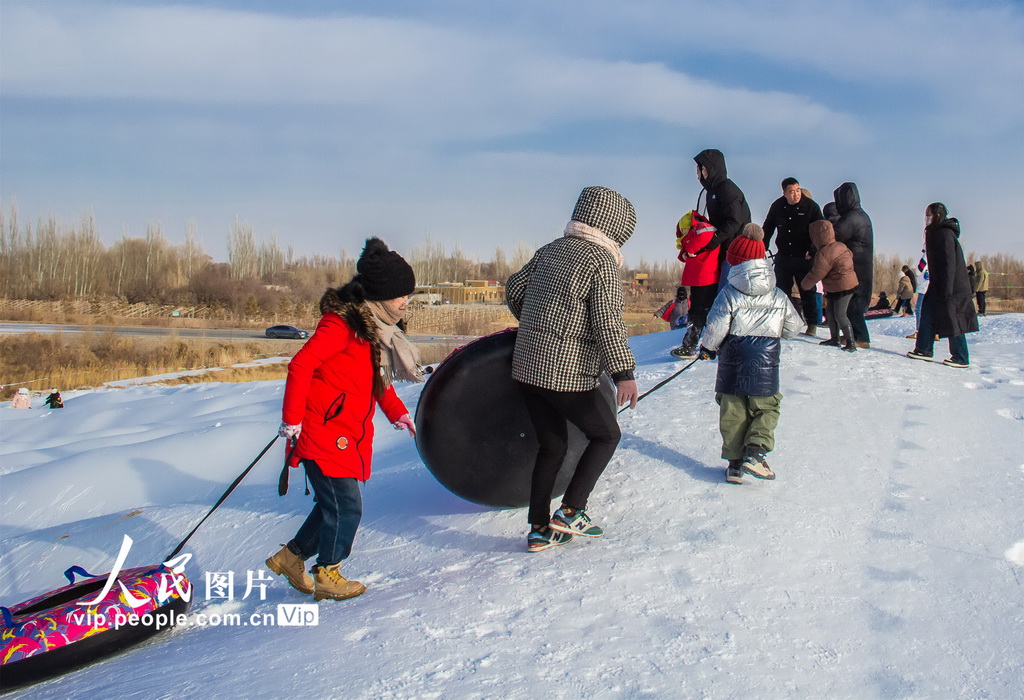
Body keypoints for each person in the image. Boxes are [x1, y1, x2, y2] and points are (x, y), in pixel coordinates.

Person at [266, 237, 422, 601]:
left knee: (331, 506)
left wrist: (397, 412)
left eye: (408, 295)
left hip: (347, 431)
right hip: (322, 430)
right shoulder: (341, 325)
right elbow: (300, 365)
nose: (406, 302)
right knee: (347, 508)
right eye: (401, 296)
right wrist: (292, 420)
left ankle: (290, 558)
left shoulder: (373, 329)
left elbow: (377, 379)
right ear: (380, 296)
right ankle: (328, 572)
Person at [505, 186, 639, 552]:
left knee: (552, 446)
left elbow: (515, 288)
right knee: (607, 435)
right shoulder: (601, 262)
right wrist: (623, 375)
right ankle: (571, 511)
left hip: (528, 369)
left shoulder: (550, 250)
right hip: (565, 375)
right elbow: (608, 323)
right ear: (616, 227)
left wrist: (536, 324)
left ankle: (538, 529)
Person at [699, 223, 803, 484]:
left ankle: (735, 465)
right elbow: (794, 328)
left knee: (733, 411)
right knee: (766, 407)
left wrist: (708, 348)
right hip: (765, 362)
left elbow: (716, 326)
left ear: (734, 262)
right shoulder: (778, 295)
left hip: (733, 361)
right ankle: (755, 453)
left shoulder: (729, 293)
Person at [907, 203, 978, 368]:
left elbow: (948, 263)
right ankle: (923, 349)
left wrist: (947, 290)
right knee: (927, 313)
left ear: (937, 215)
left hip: (951, 286)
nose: (927, 218)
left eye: (929, 214)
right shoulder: (934, 233)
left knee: (953, 318)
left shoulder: (944, 234)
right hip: (938, 284)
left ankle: (961, 357)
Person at [762, 177, 823, 335]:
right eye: (791, 192)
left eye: (798, 190)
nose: (796, 194)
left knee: (807, 291)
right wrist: (762, 247)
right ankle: (783, 322)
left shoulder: (811, 207)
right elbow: (768, 227)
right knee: (782, 292)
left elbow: (821, 231)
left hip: (804, 257)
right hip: (783, 256)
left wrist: (813, 250)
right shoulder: (777, 206)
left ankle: (812, 324)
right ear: (784, 193)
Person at [692, 149, 752, 288]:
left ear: (711, 169)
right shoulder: (711, 191)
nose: (698, 172)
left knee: (725, 291)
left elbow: (733, 221)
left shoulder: (727, 189)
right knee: (715, 289)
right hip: (722, 249)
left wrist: (712, 240)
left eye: (702, 168)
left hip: (734, 251)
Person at [801, 220, 859, 352]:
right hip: (840, 285)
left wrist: (804, 285)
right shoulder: (840, 245)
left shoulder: (825, 253)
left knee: (839, 314)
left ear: (817, 236)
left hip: (843, 287)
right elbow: (850, 255)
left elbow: (817, 273)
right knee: (830, 313)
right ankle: (834, 339)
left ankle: (850, 343)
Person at [672, 211, 720, 358]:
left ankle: (690, 346)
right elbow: (686, 252)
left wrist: (690, 249)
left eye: (684, 229)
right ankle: (700, 345)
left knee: (698, 312)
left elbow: (705, 235)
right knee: (700, 311)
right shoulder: (697, 232)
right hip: (700, 278)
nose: (683, 234)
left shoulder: (702, 228)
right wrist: (686, 252)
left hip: (704, 278)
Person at [831, 183, 874, 348]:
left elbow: (834, 236)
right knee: (854, 301)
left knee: (853, 302)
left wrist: (814, 248)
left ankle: (861, 337)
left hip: (855, 266)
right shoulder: (861, 215)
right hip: (861, 265)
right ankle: (857, 334)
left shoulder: (851, 218)